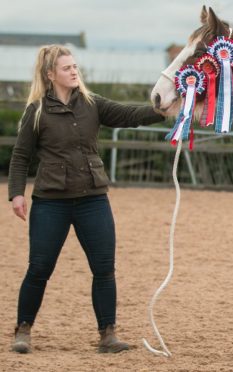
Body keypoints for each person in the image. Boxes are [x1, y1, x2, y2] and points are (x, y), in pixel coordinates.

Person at [8, 44, 165, 354]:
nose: (74, 71)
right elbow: (21, 155)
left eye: (75, 66)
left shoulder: (92, 104)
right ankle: (23, 330)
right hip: (51, 202)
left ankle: (108, 334)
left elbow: (130, 115)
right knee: (39, 267)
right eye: (67, 68)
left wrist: (166, 107)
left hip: (93, 200)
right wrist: (16, 193)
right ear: (51, 74)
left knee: (104, 267)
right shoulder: (36, 111)